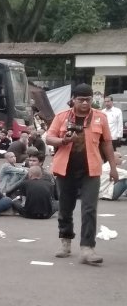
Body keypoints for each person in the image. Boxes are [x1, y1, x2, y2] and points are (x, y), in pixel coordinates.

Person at [46, 83, 119, 265]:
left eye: (88, 99)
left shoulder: (100, 118)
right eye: (81, 100)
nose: (85, 103)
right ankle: (65, 241)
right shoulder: (62, 117)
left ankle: (87, 248)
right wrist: (63, 140)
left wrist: (113, 167)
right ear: (73, 100)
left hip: (91, 170)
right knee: (65, 207)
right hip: (66, 169)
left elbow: (107, 143)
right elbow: (49, 137)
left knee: (89, 209)